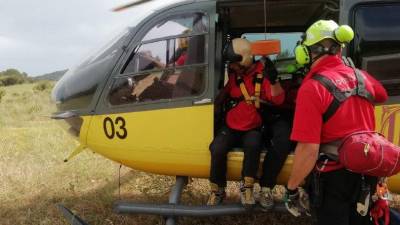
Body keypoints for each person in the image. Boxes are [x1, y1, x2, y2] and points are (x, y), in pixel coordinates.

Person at [285, 20, 388, 225]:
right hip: (365, 174)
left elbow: (308, 149)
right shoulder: (362, 77)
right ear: (340, 48)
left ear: (307, 52)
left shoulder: (312, 88)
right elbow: (382, 95)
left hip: (332, 179)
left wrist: (292, 188)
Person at [207, 38, 285, 207]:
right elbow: (224, 94)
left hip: (253, 127)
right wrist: (212, 107)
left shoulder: (263, 74)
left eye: (234, 63)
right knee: (217, 147)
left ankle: (247, 187)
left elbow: (278, 100)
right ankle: (217, 189)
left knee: (253, 144)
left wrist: (273, 81)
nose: (232, 67)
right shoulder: (236, 77)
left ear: (245, 58)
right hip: (231, 125)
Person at [258, 63, 304, 210]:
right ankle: (266, 187)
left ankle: (305, 189)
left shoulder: (312, 78)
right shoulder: (270, 77)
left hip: (303, 115)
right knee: (282, 142)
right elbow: (276, 98)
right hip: (278, 115)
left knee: (309, 145)